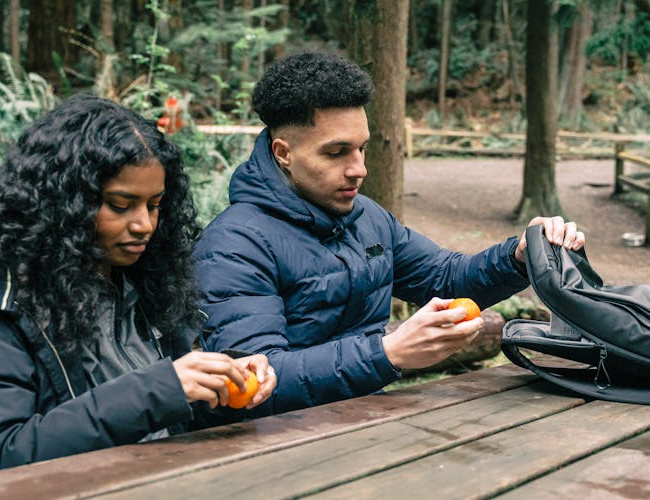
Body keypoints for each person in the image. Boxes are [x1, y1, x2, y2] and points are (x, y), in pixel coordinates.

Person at [192, 52, 584, 416]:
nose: (359, 169)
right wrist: (387, 352)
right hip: (268, 447)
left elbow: (445, 278)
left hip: (369, 421)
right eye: (336, 152)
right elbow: (253, 381)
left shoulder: (368, 218)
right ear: (283, 153)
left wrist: (515, 256)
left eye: (361, 149)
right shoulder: (233, 245)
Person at [0, 95, 276, 478]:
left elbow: (162, 419)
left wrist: (222, 385)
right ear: (64, 203)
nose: (144, 224)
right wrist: (160, 389)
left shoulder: (146, 285)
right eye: (120, 205)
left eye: (154, 204)